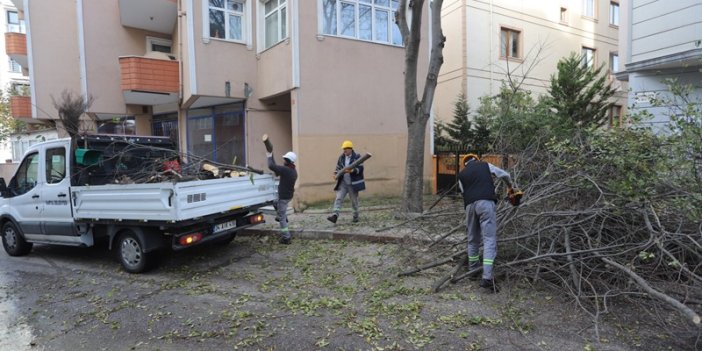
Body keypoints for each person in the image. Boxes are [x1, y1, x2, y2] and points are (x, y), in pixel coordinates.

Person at [457, 153, 513, 293]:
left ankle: (473, 270)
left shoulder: (461, 175)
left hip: (469, 206)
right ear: (476, 159)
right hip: (486, 203)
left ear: (465, 163)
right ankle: (487, 278)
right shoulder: (485, 165)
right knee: (489, 239)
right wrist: (510, 187)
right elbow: (504, 175)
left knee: (472, 239)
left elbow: (464, 192)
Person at [327, 140, 365, 224]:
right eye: (343, 149)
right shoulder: (341, 157)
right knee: (338, 198)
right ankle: (335, 216)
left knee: (354, 201)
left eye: (345, 149)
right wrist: (335, 173)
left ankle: (355, 216)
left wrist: (352, 171)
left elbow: (361, 168)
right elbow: (338, 168)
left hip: (353, 183)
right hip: (343, 183)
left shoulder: (357, 156)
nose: (344, 151)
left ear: (350, 149)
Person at [267, 150, 298, 245]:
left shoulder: (286, 170)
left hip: (284, 197)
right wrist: (272, 156)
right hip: (288, 196)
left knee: (281, 218)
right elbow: (277, 170)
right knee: (275, 202)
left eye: (285, 159)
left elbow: (271, 166)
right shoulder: (292, 170)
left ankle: (286, 237)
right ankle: (283, 216)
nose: (283, 160)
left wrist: (269, 156)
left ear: (288, 160)